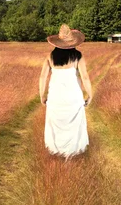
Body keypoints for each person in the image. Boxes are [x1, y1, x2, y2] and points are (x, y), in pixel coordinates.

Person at [39, 24, 92, 157]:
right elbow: (84, 77)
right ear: (73, 41)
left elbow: (43, 77)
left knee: (56, 124)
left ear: (57, 42)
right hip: (73, 96)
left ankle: (57, 152)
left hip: (55, 97)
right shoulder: (78, 56)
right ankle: (73, 152)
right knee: (73, 124)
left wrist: (42, 95)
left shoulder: (50, 57)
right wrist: (90, 94)